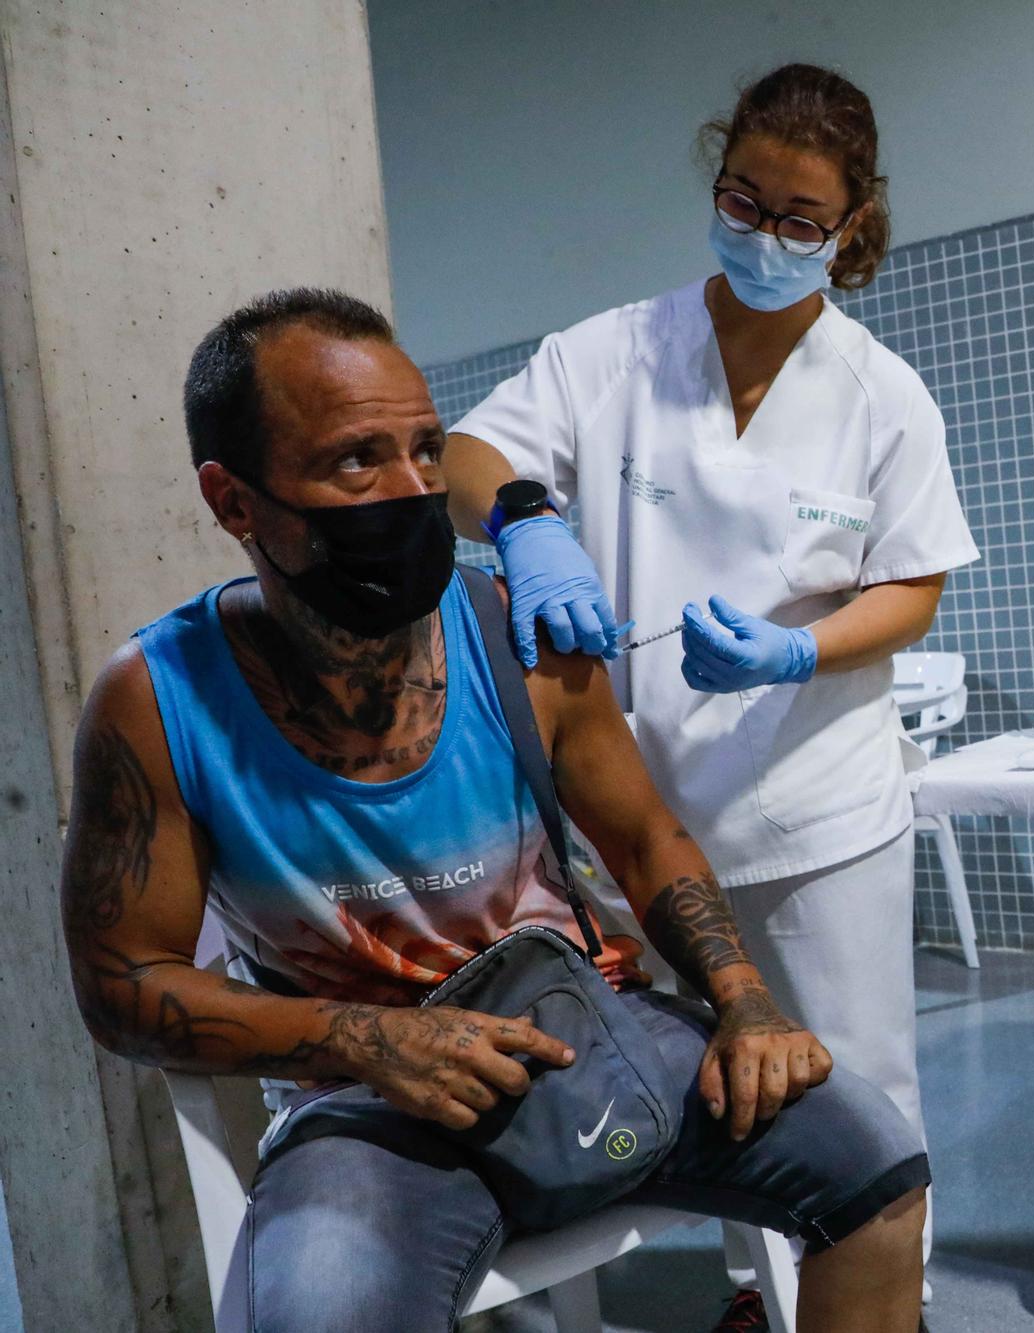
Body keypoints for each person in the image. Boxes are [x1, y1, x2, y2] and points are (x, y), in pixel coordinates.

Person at [60, 288, 929, 1331]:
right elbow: (123, 988)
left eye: (426, 450)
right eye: (355, 461)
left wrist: (743, 996)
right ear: (234, 500)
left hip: (586, 1031)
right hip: (369, 1102)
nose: (412, 489)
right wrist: (370, 1042)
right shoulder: (158, 700)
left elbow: (648, 838)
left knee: (875, 1165)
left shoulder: (521, 636)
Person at [442, 64, 976, 1329]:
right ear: (717, 179)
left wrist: (800, 652)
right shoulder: (612, 350)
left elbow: (911, 590)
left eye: (802, 218)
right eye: (745, 198)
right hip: (647, 816)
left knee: (852, 1082)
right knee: (709, 1083)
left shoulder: (879, 392)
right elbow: (468, 453)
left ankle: (875, 1301)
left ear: (851, 229)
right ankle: (759, 1289)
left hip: (817, 809)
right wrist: (526, 524)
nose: (766, 234)